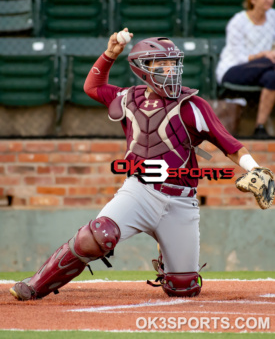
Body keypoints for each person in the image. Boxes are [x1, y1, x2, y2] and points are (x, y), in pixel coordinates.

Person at [9, 28, 273, 301]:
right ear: (143, 68)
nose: (170, 70)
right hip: (139, 191)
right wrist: (110, 54)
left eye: (173, 64)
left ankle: (167, 254)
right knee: (98, 235)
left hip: (181, 200)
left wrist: (254, 168)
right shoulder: (127, 98)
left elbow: (229, 144)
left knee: (183, 288)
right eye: (162, 64)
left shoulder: (192, 105)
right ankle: (36, 284)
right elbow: (93, 88)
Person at [216, 0, 275, 139]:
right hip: (233, 69)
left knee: (273, 78)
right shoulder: (238, 21)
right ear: (253, 0)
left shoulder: (273, 17)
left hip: (264, 69)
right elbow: (238, 56)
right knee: (270, 62)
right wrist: (263, 56)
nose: (269, 0)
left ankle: (259, 127)